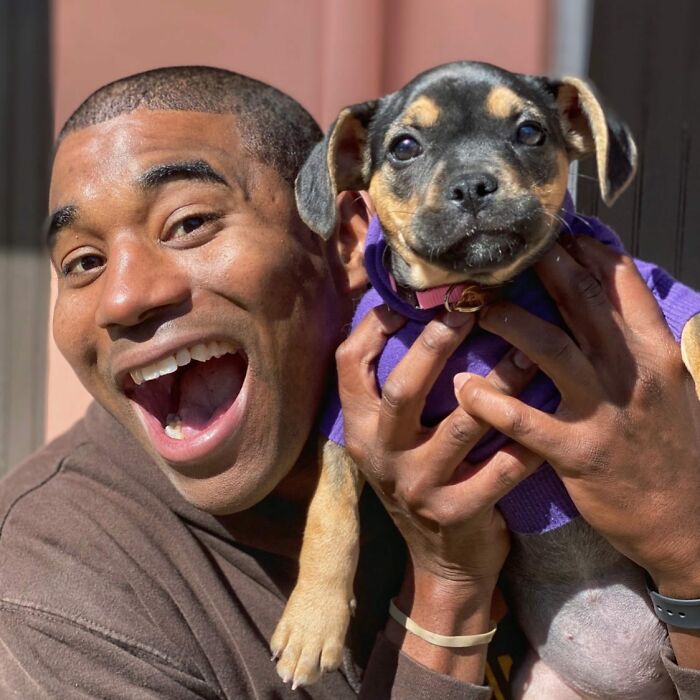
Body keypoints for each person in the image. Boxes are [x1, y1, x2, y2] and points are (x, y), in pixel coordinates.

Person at [0, 65, 698, 698]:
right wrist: (448, 591)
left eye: (187, 224)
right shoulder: (54, 594)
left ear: (345, 236)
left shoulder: (564, 330)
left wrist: (683, 542)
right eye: (82, 262)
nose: (125, 297)